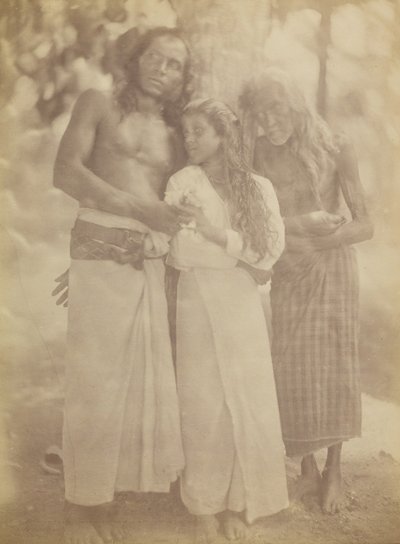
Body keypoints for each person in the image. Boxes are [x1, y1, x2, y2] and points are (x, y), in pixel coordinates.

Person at [53, 27, 192, 544]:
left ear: (182, 79)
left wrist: (144, 227)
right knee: (93, 383)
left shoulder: (177, 133)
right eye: (155, 57)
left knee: (134, 384)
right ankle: (79, 508)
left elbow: (173, 207)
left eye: (175, 64)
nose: (163, 68)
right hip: (98, 246)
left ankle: (103, 499)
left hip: (146, 257)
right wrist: (94, 249)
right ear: (134, 59)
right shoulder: (98, 102)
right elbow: (66, 172)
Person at [241, 68, 373, 514]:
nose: (269, 122)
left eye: (276, 109)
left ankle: (335, 470)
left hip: (332, 265)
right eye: (261, 114)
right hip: (288, 265)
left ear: (296, 103)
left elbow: (365, 223)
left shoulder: (336, 145)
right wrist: (293, 236)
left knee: (334, 366)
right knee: (294, 367)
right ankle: (308, 469)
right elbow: (257, 219)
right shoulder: (258, 152)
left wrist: (326, 237)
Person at [164, 98, 289, 542]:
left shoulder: (258, 188)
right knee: (204, 404)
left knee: (247, 399)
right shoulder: (182, 182)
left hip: (242, 307)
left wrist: (219, 237)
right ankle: (203, 507)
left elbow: (270, 251)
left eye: (199, 130)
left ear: (223, 135)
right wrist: (242, 257)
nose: (190, 139)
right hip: (198, 301)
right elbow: (181, 252)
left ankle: (239, 503)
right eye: (186, 132)